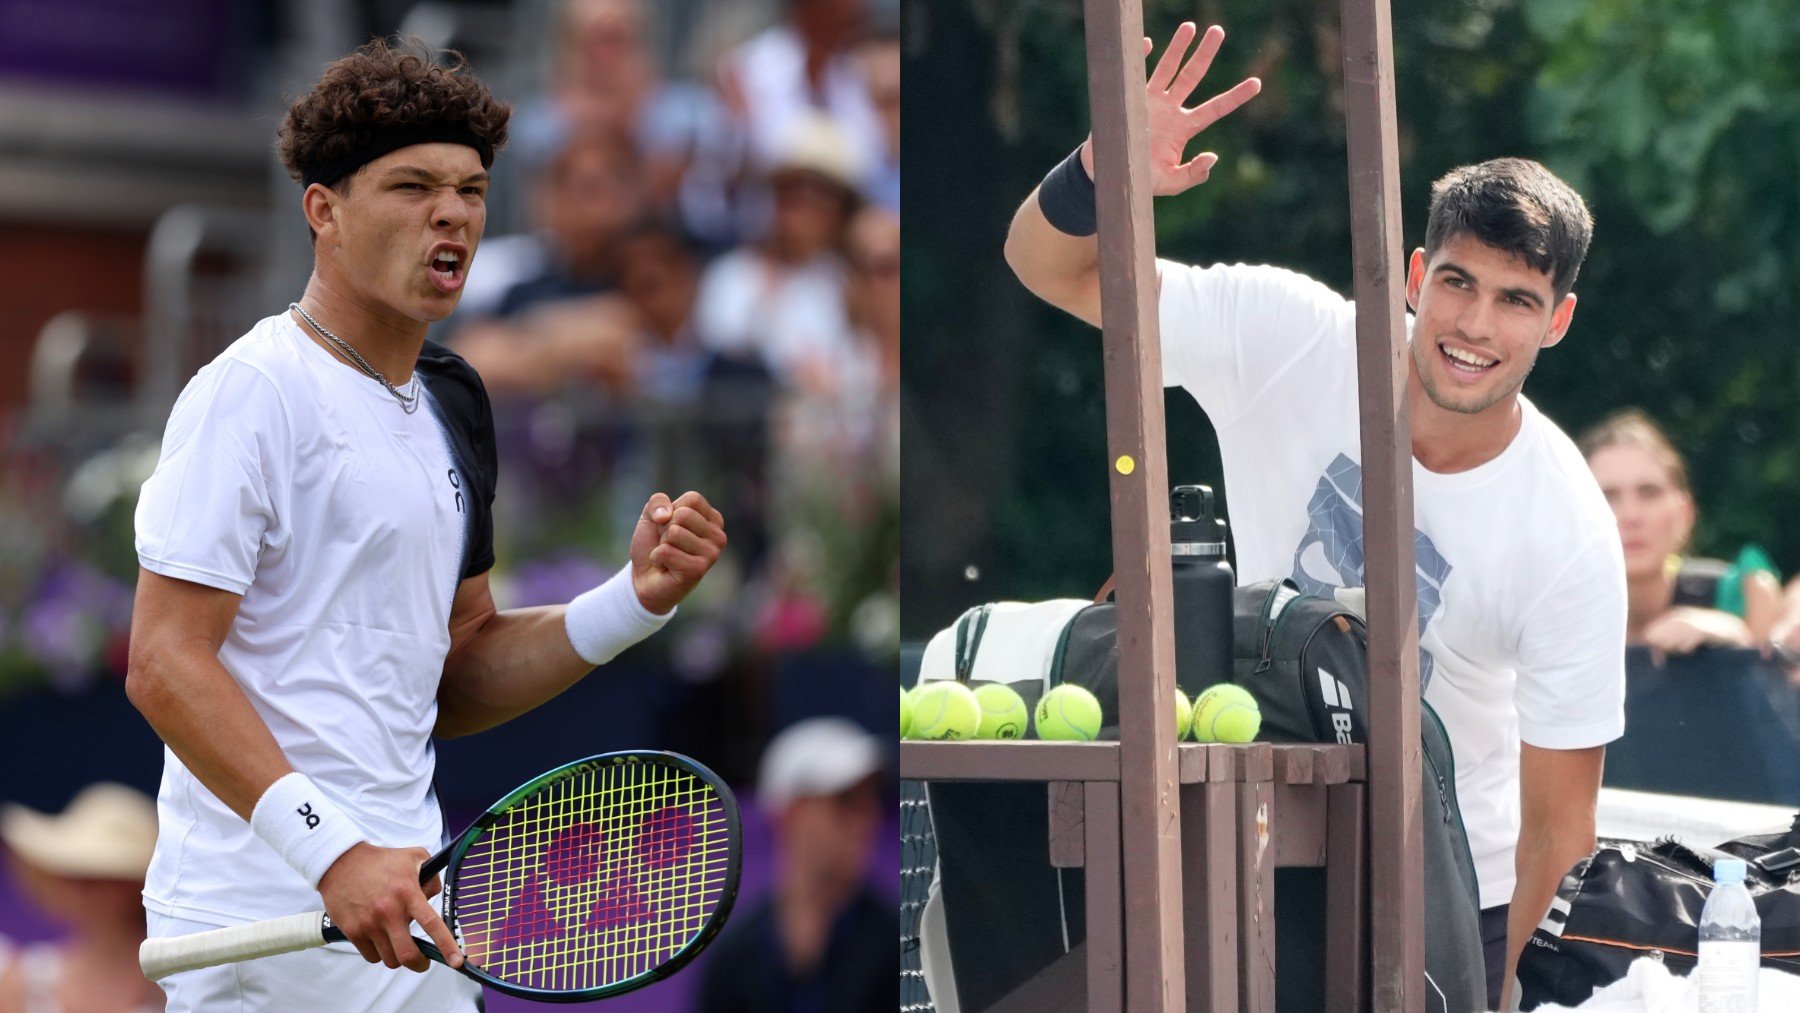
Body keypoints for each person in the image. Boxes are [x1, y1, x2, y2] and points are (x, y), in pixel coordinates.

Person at [1004, 23, 1626, 1011]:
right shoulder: (1283, 333)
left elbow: (1561, 832)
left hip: (1455, 892)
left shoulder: (1570, 530)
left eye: (1517, 300)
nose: (1473, 325)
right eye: (1459, 282)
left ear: (1556, 321)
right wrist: (1099, 169)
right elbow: (1050, 267)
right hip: (1255, 839)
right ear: (1416, 276)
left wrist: (1518, 998)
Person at [125, 38, 727, 1012]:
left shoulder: (452, 398)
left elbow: (457, 666)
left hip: (404, 926)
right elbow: (164, 661)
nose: (451, 212)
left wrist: (632, 602)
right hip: (256, 939)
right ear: (323, 209)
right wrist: (335, 849)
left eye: (472, 190)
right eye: (412, 186)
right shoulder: (249, 390)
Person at [693, 718, 892, 1013]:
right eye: (845, 799)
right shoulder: (732, 958)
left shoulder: (895, 941)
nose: (867, 816)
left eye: (871, 798)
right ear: (789, 813)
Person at [1579, 409, 1781, 653]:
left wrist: (1736, 634)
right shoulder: (1541, 613)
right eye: (1607, 496)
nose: (1630, 516)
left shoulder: (1738, 597)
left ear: (1685, 514)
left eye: (1649, 493)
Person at [0, 784, 165, 1012]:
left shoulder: (176, 978)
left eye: (100, 876)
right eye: (71, 875)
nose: (79, 890)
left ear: (135, 884)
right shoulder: (23, 982)